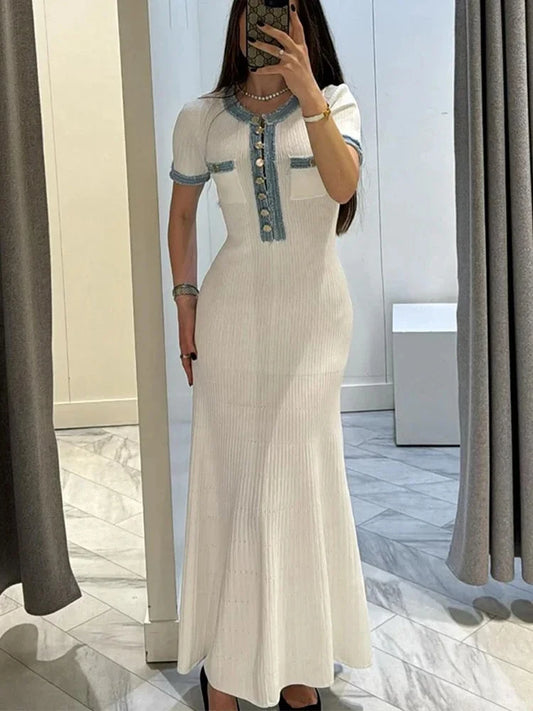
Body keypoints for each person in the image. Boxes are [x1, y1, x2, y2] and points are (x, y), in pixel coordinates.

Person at [167, 1, 372, 708]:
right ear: (238, 23)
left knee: (295, 488)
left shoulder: (335, 102)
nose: (266, 27)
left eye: (282, 12)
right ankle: (227, 668)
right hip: (231, 321)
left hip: (313, 326)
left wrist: (308, 91)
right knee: (238, 488)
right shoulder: (201, 117)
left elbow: (343, 187)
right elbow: (183, 216)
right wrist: (185, 303)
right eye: (255, 11)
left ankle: (295, 664)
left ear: (304, 22)